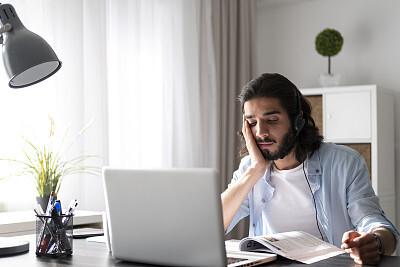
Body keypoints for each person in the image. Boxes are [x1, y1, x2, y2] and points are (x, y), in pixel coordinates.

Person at [221, 73, 399, 265]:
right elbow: (213, 227)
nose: (260, 132)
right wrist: (255, 169)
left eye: (272, 120)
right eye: (252, 123)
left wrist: (376, 242)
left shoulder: (344, 162)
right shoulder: (250, 169)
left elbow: (378, 225)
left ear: (298, 120)